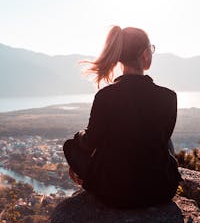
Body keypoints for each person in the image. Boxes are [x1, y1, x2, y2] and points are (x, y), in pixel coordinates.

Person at [63, 26, 181, 208]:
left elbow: (90, 141)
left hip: (114, 192)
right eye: (151, 49)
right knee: (164, 139)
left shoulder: (106, 96)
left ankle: (91, 180)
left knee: (70, 146)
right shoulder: (169, 96)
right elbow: (162, 139)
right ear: (144, 54)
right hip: (161, 190)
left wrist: (79, 136)